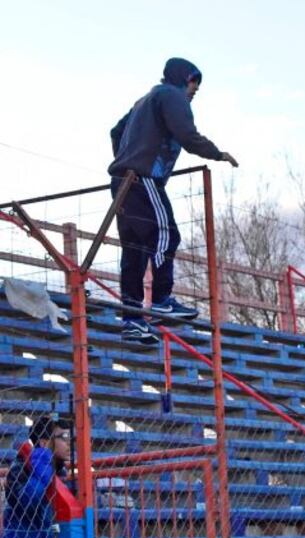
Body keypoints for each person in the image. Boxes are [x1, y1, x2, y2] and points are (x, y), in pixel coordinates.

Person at [109, 57, 238, 344]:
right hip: (143, 179)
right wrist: (218, 154)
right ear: (183, 79)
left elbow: (115, 131)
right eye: (194, 84)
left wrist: (124, 156)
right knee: (167, 233)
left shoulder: (143, 101)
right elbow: (187, 136)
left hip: (121, 181)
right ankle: (162, 300)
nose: (195, 91)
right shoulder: (171, 95)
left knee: (135, 251)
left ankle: (131, 320)